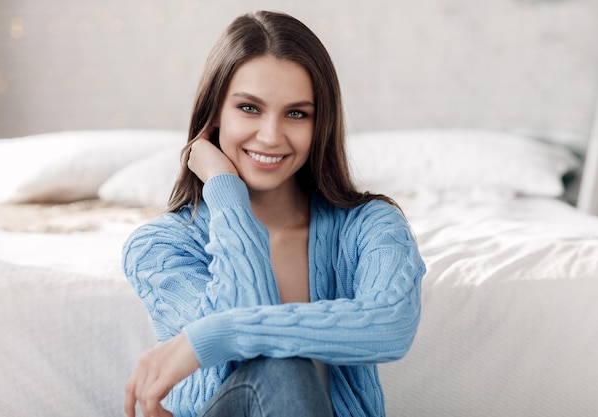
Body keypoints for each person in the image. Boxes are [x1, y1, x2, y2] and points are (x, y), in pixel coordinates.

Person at [122, 10, 425, 417]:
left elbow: (390, 325)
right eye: (249, 108)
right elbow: (245, 359)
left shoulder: (369, 224)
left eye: (296, 114)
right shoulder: (159, 246)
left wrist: (211, 335)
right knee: (281, 368)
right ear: (214, 114)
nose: (270, 135)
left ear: (321, 125)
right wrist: (225, 192)